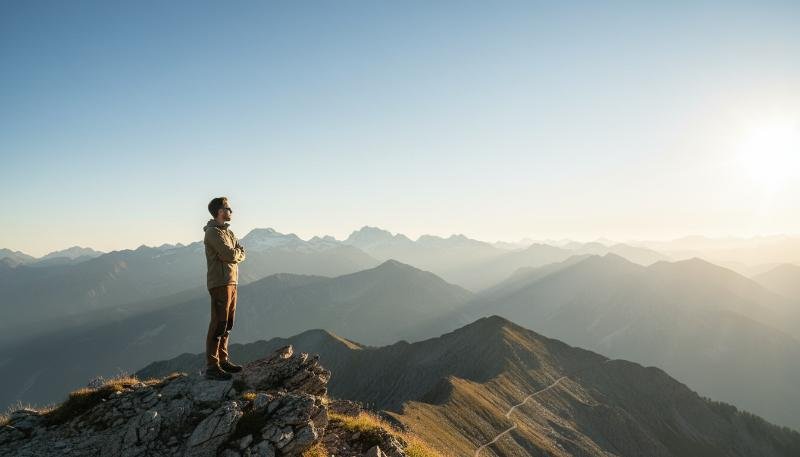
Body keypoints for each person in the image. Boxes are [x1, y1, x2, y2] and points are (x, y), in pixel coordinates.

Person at [202, 196, 247, 380]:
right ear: (220, 211)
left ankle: (223, 359)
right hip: (220, 283)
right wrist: (236, 254)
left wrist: (235, 254)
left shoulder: (229, 233)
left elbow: (240, 252)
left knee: (228, 323)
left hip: (232, 281)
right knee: (218, 324)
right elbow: (230, 254)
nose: (231, 211)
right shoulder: (212, 233)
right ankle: (212, 366)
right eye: (229, 209)